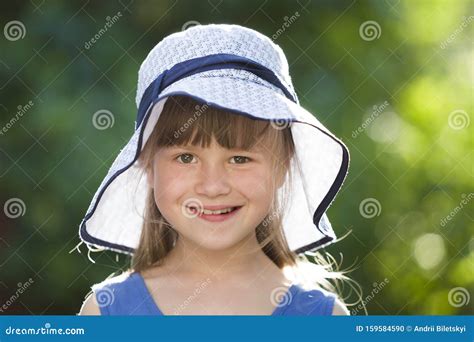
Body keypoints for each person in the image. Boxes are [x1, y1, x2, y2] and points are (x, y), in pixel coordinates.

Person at [78, 24, 352, 315]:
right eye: (185, 158)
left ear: (283, 165)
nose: (212, 186)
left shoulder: (324, 317)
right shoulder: (106, 312)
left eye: (239, 159)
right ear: (147, 163)